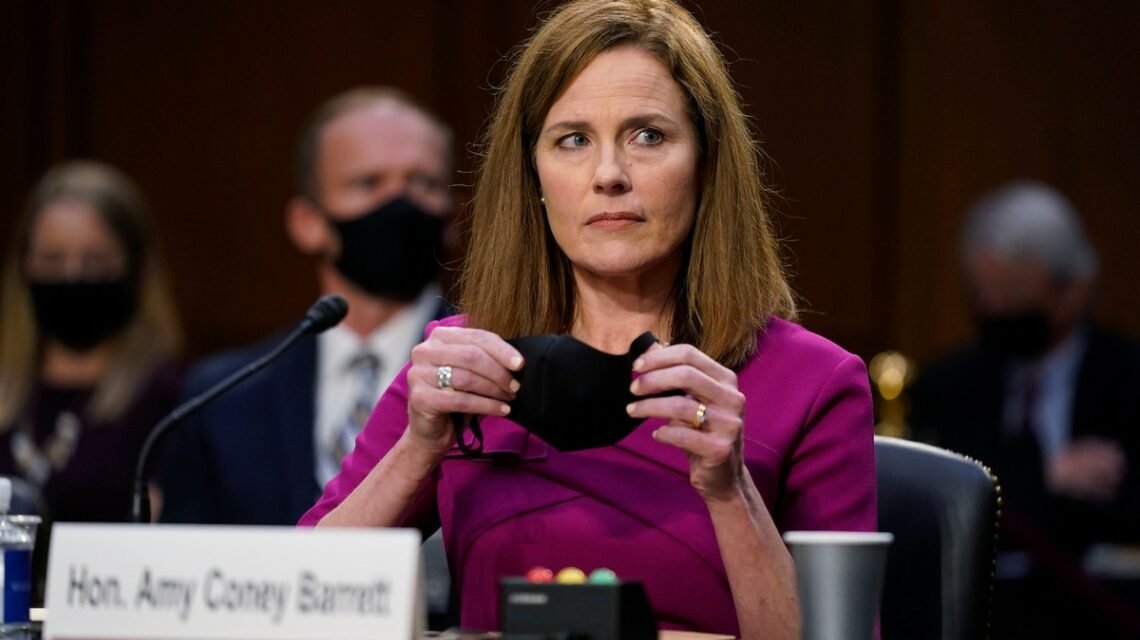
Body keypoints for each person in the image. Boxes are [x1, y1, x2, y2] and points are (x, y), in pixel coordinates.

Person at [300, 2, 877, 638]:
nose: (609, 176)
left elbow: (840, 633)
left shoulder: (814, 382)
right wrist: (418, 447)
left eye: (647, 136)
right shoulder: (460, 362)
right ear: (534, 175)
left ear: (707, 164)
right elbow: (302, 600)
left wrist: (729, 490)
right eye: (573, 140)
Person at [158, 87, 455, 525]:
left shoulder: (493, 368)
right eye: (368, 183)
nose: (400, 202)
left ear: (452, 218)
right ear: (308, 222)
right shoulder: (222, 396)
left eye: (423, 183)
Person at [909, 182, 1140, 638]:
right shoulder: (948, 384)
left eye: (1011, 294)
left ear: (1073, 289)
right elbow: (934, 501)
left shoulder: (1129, 379)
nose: (993, 308)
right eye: (981, 295)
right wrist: (1047, 478)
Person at [0, 160, 183, 523]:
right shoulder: (10, 393)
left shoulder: (169, 402)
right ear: (24, 267)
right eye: (52, 260)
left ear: (137, 271)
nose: (72, 277)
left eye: (95, 262)